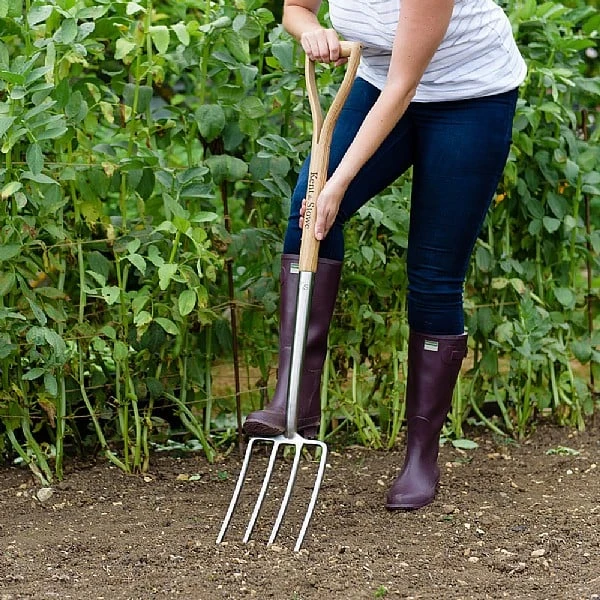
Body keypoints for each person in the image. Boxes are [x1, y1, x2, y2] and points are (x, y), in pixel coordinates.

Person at [243, 0, 527, 510]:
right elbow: (295, 8)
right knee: (307, 215)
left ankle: (421, 456)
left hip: (470, 98)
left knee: (434, 274)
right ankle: (295, 397)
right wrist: (310, 30)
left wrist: (338, 183)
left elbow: (404, 85)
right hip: (377, 83)